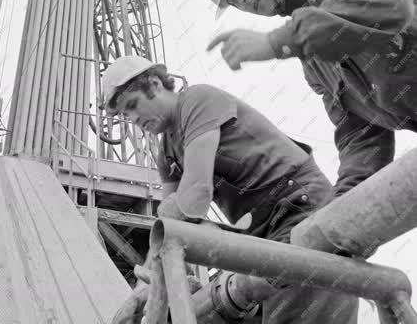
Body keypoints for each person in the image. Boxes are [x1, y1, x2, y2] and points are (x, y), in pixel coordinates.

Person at [105, 55, 358, 324]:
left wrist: (170, 212)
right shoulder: (166, 153)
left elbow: (196, 196)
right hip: (261, 235)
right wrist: (143, 289)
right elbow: (169, 232)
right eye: (125, 114)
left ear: (155, 84)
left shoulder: (197, 101)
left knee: (298, 312)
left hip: (298, 206)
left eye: (132, 105)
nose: (132, 118)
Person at [191, 0, 417, 197]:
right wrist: (340, 206)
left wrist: (277, 43)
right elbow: (361, 136)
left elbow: (388, 2)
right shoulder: (314, 65)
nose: (244, 0)